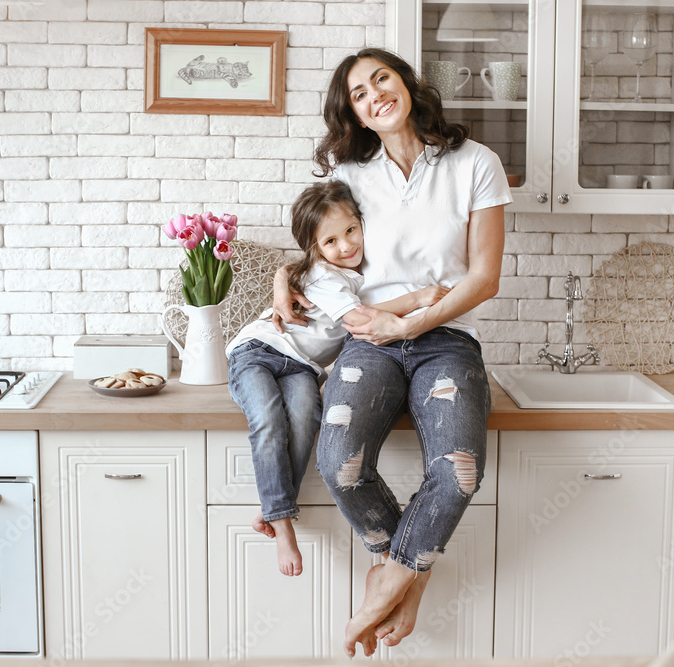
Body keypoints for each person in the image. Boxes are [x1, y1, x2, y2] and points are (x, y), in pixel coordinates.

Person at [271, 48, 511, 656]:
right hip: (369, 342)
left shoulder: (476, 162)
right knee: (339, 464)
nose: (374, 93)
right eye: (358, 92)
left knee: (458, 473)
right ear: (353, 112)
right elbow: (316, 248)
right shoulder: (351, 177)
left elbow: (483, 279)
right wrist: (284, 276)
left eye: (382, 78)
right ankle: (405, 565)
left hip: (447, 339)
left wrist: (412, 325)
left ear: (405, 83)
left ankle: (390, 586)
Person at [226, 180, 450, 577]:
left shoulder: (354, 276)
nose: (346, 246)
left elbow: (361, 306)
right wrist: (418, 299)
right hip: (259, 351)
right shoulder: (321, 275)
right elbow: (358, 320)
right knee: (267, 418)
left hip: (302, 367)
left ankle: (273, 511)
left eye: (350, 231)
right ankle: (281, 524)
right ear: (315, 249)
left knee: (305, 418)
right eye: (331, 241)